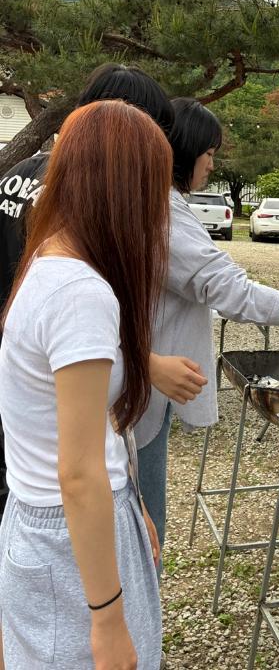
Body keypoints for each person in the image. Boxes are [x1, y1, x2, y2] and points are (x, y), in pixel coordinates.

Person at [135, 97, 279, 552]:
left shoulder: (155, 203)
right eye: (209, 153)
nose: (212, 165)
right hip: (140, 393)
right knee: (143, 534)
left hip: (144, 381)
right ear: (185, 151)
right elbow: (233, 291)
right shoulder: (164, 212)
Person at [0, 100, 171, 668]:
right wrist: (109, 620)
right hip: (67, 539)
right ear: (125, 192)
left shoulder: (48, 258)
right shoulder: (80, 293)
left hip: (48, 523)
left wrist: (131, 503)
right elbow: (77, 474)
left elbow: (86, 425)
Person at [0, 64, 206, 522]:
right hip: (47, 389)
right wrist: (145, 362)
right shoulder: (86, 209)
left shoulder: (21, 172)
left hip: (17, 376)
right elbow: (71, 319)